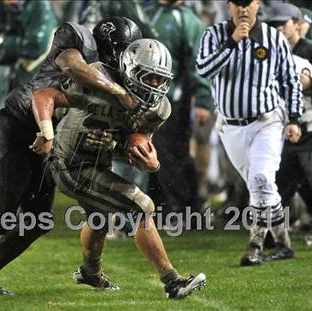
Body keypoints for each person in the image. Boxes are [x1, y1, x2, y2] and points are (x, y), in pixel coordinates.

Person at [0, 17, 142, 296]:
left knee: (38, 221)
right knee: (1, 218)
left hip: (49, 142)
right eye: (122, 51)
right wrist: (117, 91)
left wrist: (114, 142)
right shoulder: (78, 41)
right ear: (109, 46)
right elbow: (72, 69)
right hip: (15, 128)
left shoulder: (113, 77)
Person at [47, 38, 206, 299]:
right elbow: (51, 97)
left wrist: (150, 163)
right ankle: (172, 280)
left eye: (160, 78)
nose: (156, 85)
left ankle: (90, 273)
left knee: (98, 219)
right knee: (140, 206)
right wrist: (46, 132)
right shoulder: (97, 81)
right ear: (130, 71)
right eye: (149, 77)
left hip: (97, 163)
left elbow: (138, 149)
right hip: (69, 162)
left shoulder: (159, 108)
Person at [196, 0, 303, 266]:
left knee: (260, 179)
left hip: (266, 122)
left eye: (248, 3)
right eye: (238, 4)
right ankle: (283, 244)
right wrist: (231, 43)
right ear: (230, 5)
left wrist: (295, 119)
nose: (243, 10)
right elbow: (204, 70)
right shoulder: (214, 35)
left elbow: (290, 80)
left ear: (257, 4)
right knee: (262, 186)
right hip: (230, 127)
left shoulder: (272, 38)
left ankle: (254, 245)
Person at [144, 0, 214, 216]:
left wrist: (203, 99)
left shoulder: (188, 21)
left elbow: (199, 64)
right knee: (148, 153)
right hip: (142, 101)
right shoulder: (145, 13)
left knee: (172, 155)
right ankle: (160, 205)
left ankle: (180, 207)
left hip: (173, 102)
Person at [267, 2, 312, 254]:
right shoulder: (271, 53)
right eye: (273, 25)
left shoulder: (308, 50)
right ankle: (273, 236)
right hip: (284, 131)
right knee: (280, 184)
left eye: (282, 24)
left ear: (297, 23)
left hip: (309, 127)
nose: (279, 30)